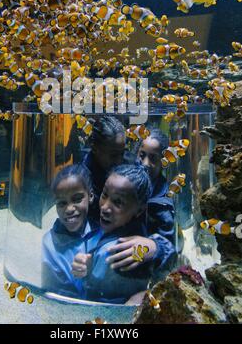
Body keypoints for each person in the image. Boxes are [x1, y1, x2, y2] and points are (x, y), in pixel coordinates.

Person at [82, 116, 176, 275]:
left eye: (122, 152)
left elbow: (167, 249)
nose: (120, 160)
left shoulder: (132, 168)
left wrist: (155, 247)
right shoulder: (82, 180)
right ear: (95, 148)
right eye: (105, 195)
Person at [72, 165, 170, 304]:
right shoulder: (103, 229)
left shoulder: (128, 249)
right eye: (104, 195)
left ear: (139, 210)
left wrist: (156, 247)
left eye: (118, 202)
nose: (105, 207)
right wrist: (86, 268)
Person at [41, 164, 102, 299]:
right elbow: (53, 293)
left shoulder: (102, 234)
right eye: (62, 203)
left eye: (77, 199)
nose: (69, 209)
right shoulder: (49, 243)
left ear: (91, 196)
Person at [136, 128, 175, 246]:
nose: (145, 163)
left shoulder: (163, 205)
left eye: (153, 158)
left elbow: (167, 245)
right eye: (142, 155)